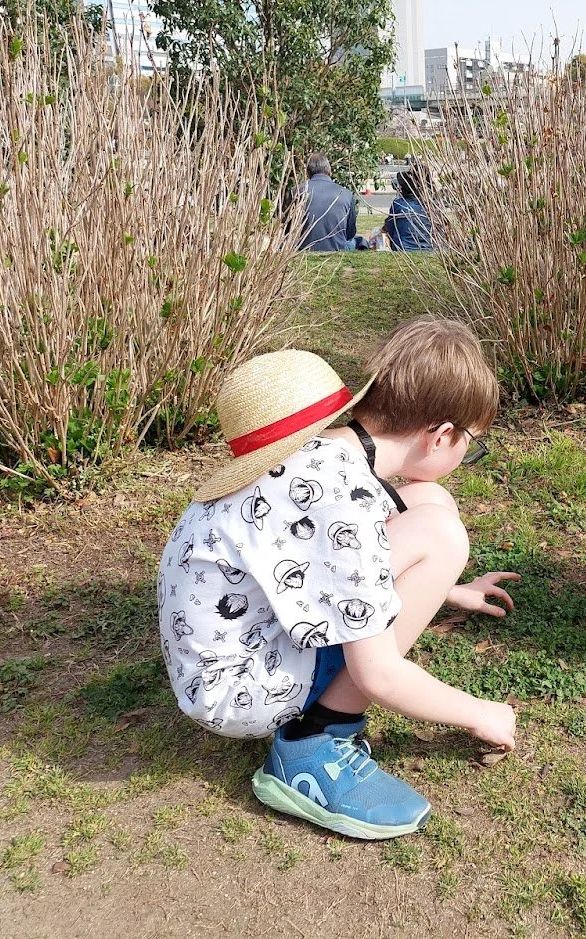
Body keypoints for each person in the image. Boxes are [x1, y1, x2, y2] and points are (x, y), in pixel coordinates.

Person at [157, 317, 519, 839]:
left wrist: (447, 589)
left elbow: (317, 557)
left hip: (218, 650)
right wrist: (479, 713)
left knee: (427, 503)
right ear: (441, 436)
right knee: (440, 532)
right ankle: (314, 744)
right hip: (239, 690)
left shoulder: (320, 454)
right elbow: (379, 676)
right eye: (471, 444)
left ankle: (316, 727)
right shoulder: (341, 501)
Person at [293, 153, 358, 252]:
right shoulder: (346, 194)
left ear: (307, 173)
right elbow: (350, 232)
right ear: (329, 170)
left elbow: (289, 229)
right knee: (356, 241)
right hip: (338, 247)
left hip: (303, 247)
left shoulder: (297, 191)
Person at [383, 164, 434, 252]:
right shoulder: (435, 206)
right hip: (432, 247)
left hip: (404, 247)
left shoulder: (399, 204)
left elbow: (390, 228)